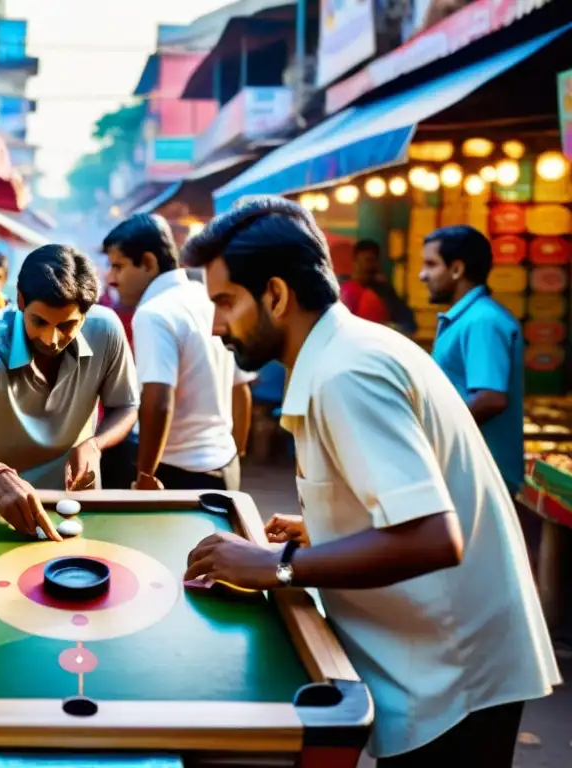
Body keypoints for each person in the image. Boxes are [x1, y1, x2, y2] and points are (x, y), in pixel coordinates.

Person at [179, 197, 559, 767]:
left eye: (225, 302)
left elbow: (434, 537)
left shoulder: (346, 373)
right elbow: (404, 503)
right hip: (438, 663)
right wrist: (326, 527)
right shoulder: (345, 353)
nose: (215, 325)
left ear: (277, 296)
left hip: (455, 676)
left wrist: (277, 567)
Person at [0, 244, 139, 540]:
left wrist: (95, 445)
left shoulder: (107, 329)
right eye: (40, 322)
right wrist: (0, 476)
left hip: (72, 497)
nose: (51, 339)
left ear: (87, 314)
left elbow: (125, 405)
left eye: (67, 325)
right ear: (21, 301)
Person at [103, 213, 253, 491]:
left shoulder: (154, 313)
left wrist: (145, 475)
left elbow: (158, 400)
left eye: (118, 266)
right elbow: (240, 388)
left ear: (148, 262)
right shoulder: (207, 298)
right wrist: (237, 452)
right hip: (223, 464)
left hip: (175, 472)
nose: (111, 278)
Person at [419, 226, 523, 497]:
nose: (422, 275)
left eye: (431, 264)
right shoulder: (465, 319)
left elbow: (490, 398)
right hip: (465, 473)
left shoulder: (482, 320)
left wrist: (426, 433)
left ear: (456, 269)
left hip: (482, 477)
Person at [340, 240, 416, 334]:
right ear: (355, 261)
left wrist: (387, 327)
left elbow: (408, 324)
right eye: (367, 260)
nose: (370, 265)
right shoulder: (342, 288)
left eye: (374, 260)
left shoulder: (384, 290)